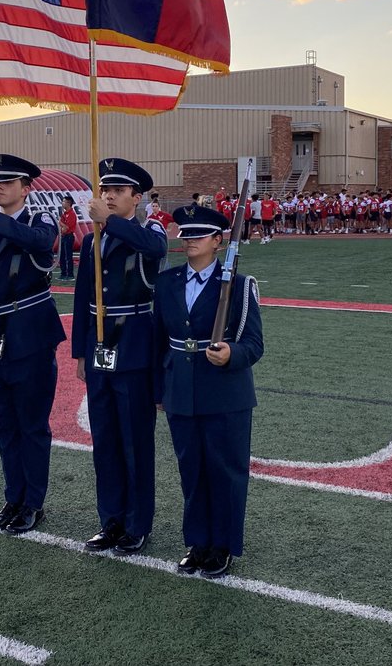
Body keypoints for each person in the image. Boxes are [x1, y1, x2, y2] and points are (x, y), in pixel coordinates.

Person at [154, 204, 263, 579]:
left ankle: (223, 545)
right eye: (185, 235)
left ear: (219, 241)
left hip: (225, 393)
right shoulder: (166, 283)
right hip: (181, 389)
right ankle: (198, 541)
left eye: (198, 235)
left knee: (226, 471)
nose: (189, 241)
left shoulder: (240, 285)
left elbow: (253, 343)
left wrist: (233, 353)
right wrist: (160, 389)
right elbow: (158, 342)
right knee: (192, 470)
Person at [72, 158, 167, 555]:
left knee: (134, 441)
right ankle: (110, 520)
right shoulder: (94, 237)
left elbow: (155, 249)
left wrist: (110, 222)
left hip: (134, 347)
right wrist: (80, 351)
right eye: (104, 190)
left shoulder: (148, 229)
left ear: (136, 197)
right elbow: (82, 298)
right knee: (106, 440)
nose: (108, 196)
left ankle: (136, 524)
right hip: (100, 347)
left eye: (117, 191)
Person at [0, 154, 65, 536]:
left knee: (32, 424)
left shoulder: (37, 219)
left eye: (8, 183)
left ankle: (33, 503)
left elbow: (42, 242)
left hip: (30, 336)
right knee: (5, 425)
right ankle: (13, 498)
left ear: (27, 188)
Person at [58, 195, 78, 280]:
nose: (62, 203)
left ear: (68, 203)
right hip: (64, 236)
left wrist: (60, 222)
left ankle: (70, 274)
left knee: (68, 256)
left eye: (64, 201)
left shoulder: (71, 214)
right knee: (62, 255)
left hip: (69, 236)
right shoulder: (64, 214)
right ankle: (63, 273)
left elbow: (66, 228)